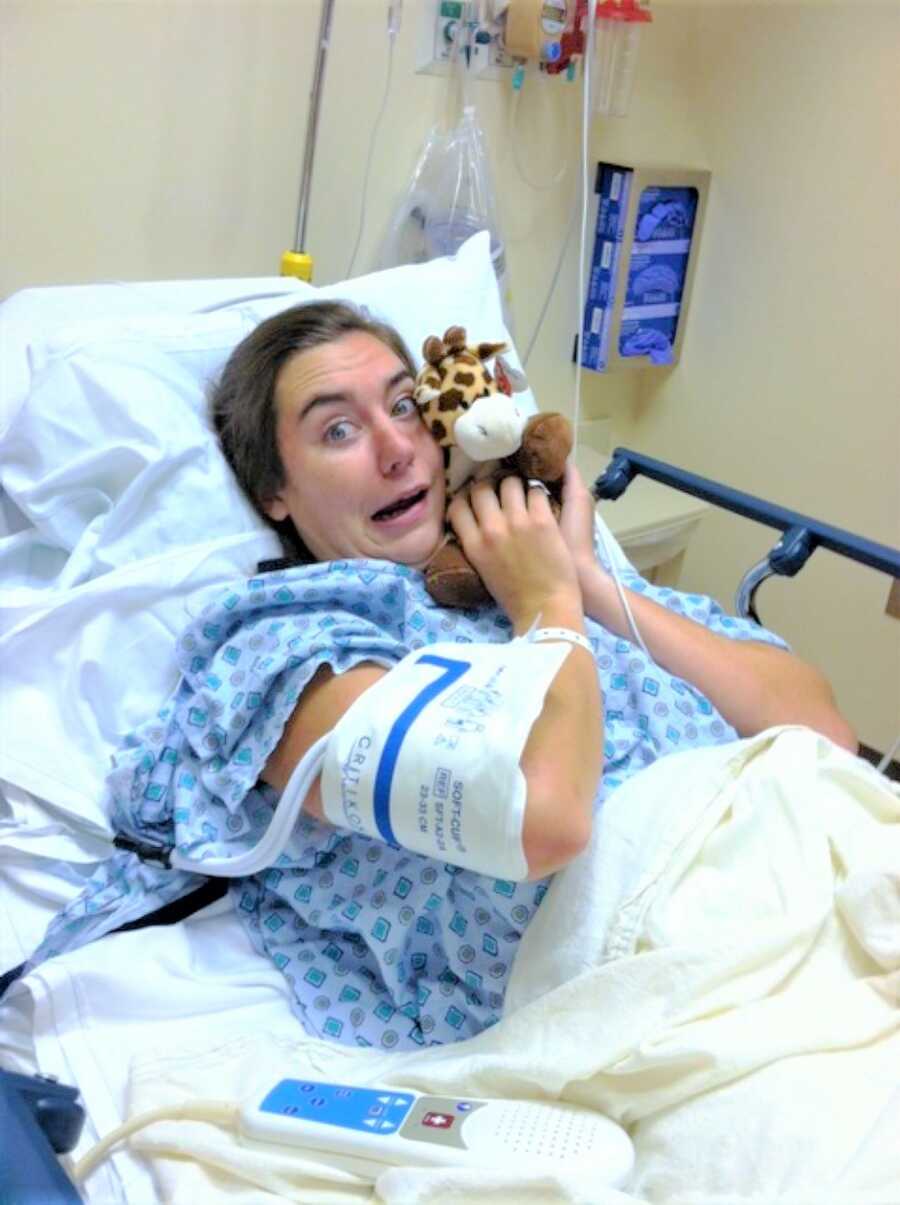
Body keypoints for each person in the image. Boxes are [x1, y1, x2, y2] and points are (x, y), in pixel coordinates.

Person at [205, 299, 854, 1049]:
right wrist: (547, 611)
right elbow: (537, 821)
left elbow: (825, 734)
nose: (396, 449)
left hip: (798, 871)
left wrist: (588, 579)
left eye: (406, 405)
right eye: (338, 430)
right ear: (272, 493)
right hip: (660, 975)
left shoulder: (525, 556)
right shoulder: (290, 646)